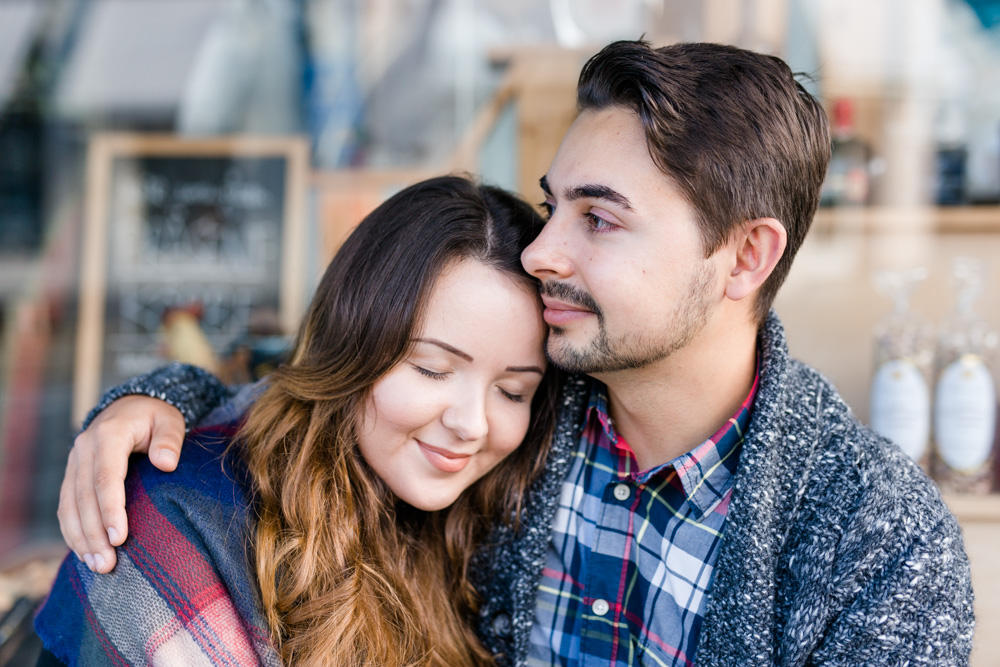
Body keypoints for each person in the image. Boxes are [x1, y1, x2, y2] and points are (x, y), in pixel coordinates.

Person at [55, 41, 975, 666]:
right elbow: (322, 403)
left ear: (746, 256)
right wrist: (151, 402)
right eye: (555, 200)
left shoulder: (878, 543)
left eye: (599, 217)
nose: (541, 250)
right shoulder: (531, 415)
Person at [35, 176, 560, 666]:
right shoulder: (178, 514)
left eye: (513, 392)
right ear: (351, 345)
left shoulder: (488, 534)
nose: (473, 424)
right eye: (432, 369)